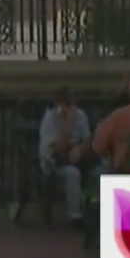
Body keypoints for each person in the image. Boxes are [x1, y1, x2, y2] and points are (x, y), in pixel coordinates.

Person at [36, 87, 94, 225]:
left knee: (101, 169)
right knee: (72, 174)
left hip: (75, 156)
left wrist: (79, 148)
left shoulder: (80, 115)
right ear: (59, 104)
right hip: (54, 160)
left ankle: (98, 213)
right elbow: (57, 148)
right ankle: (74, 214)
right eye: (67, 104)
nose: (71, 108)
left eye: (73, 103)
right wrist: (69, 125)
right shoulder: (50, 119)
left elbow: (87, 139)